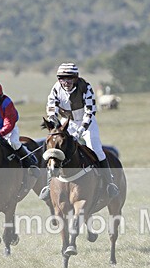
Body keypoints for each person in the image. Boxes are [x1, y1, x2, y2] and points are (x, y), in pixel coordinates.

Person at [39, 62, 118, 200]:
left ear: (76, 77)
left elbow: (90, 112)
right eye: (63, 78)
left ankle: (109, 183)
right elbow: (51, 109)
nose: (66, 81)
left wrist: (80, 130)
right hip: (66, 123)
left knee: (96, 149)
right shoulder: (56, 89)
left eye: (70, 77)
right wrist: (54, 123)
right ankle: (48, 185)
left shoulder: (85, 87)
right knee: (53, 149)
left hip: (86, 123)